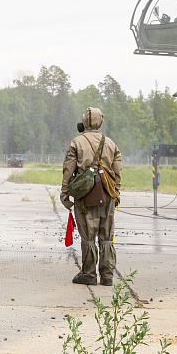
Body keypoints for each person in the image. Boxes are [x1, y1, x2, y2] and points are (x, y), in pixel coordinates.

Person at [61, 107, 122, 286]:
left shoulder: (76, 142)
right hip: (108, 193)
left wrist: (65, 193)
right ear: (100, 122)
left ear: (84, 122)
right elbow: (118, 171)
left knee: (88, 236)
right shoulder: (111, 143)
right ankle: (107, 275)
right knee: (107, 235)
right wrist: (116, 190)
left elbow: (68, 169)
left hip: (85, 194)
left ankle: (89, 273)